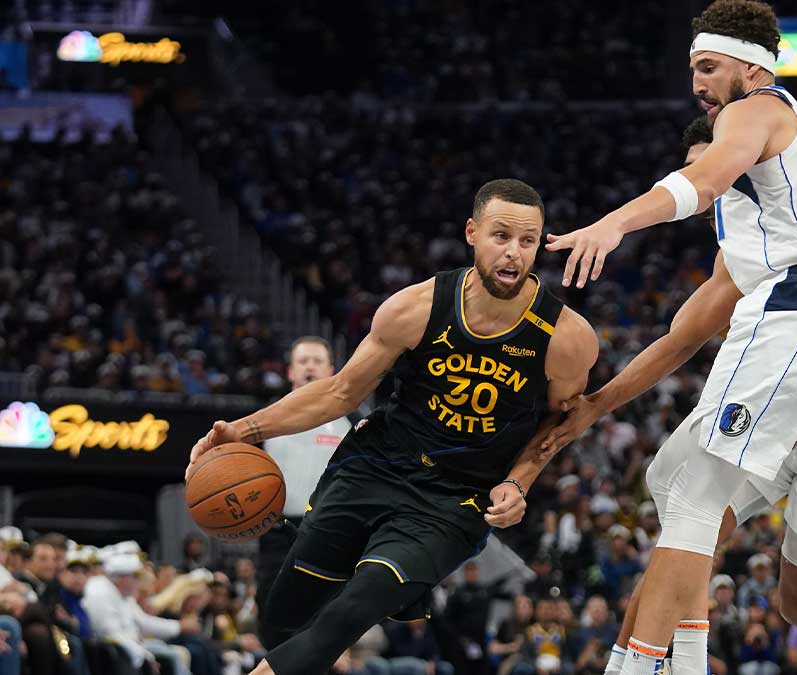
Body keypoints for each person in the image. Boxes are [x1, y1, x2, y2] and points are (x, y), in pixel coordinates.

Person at [548, 1, 797, 673]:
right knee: (676, 481)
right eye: (692, 70)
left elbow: (704, 180)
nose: (698, 84)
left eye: (708, 67)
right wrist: (596, 404)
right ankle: (689, 660)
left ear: (751, 66)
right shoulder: (774, 202)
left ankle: (636, 667)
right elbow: (681, 337)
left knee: (695, 490)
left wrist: (613, 224)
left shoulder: (757, 108)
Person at [186, 179, 599, 675]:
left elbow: (560, 421)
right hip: (377, 465)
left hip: (455, 497)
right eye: (501, 236)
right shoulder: (416, 307)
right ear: (472, 232)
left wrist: (520, 479)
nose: (513, 253)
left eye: (527, 241)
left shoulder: (567, 338)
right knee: (285, 616)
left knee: (355, 607)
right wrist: (244, 430)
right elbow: (341, 392)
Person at [256, 336, 354, 623]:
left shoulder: (351, 419)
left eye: (317, 361)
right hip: (278, 530)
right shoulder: (266, 417)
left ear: (331, 371)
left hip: (329, 530)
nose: (310, 367)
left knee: (323, 614)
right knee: (274, 609)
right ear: (290, 372)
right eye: (303, 361)